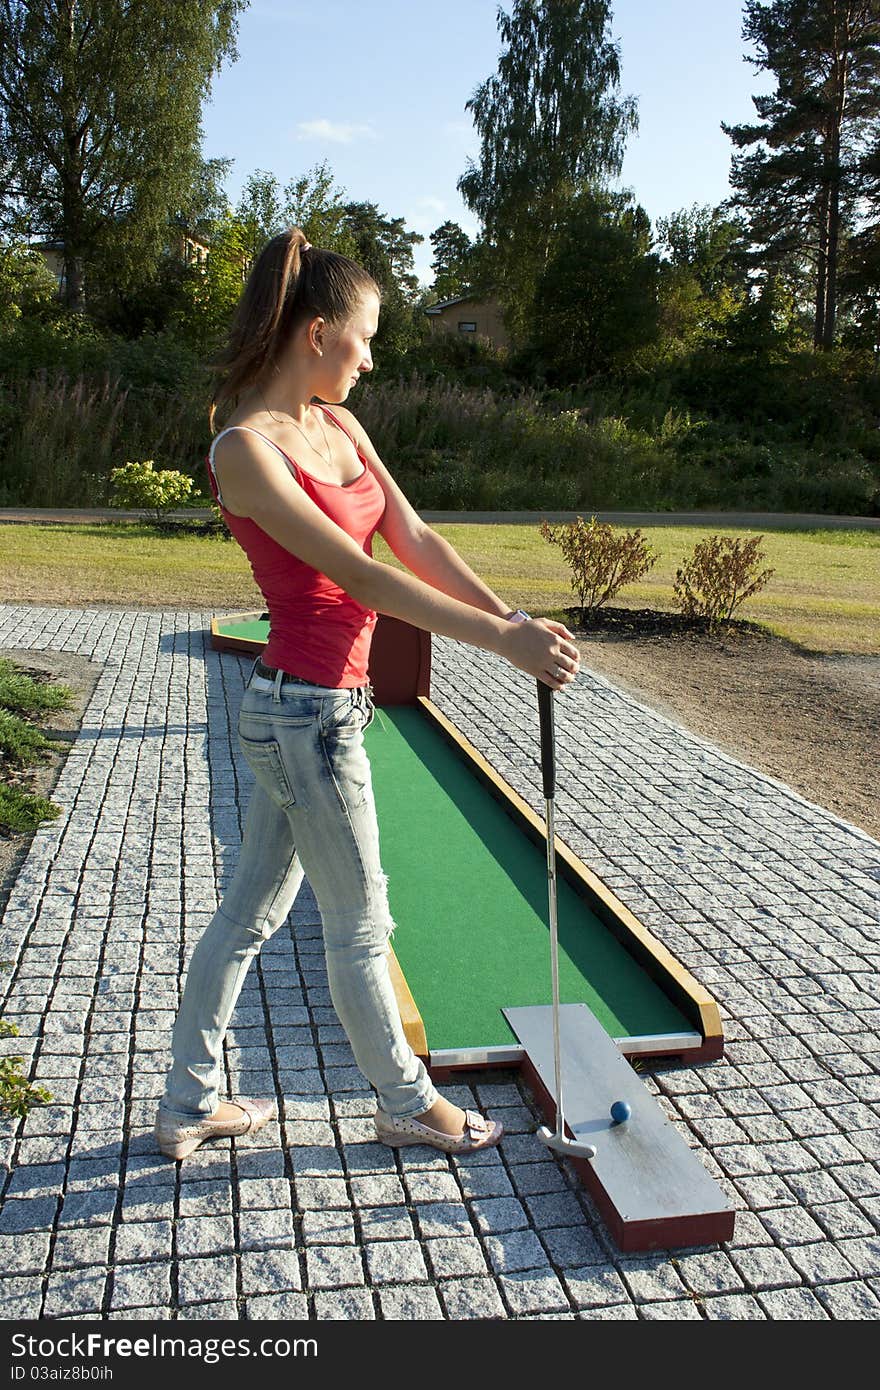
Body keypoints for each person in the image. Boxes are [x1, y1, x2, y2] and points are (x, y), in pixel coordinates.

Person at [154, 228, 581, 1162]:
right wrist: (502, 646)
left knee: (247, 915)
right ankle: (406, 1102)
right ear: (315, 334)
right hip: (301, 715)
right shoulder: (246, 450)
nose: (373, 357)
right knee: (359, 925)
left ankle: (188, 1105)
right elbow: (361, 576)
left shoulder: (338, 424)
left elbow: (414, 539)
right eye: (365, 337)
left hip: (314, 712)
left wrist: (512, 614)